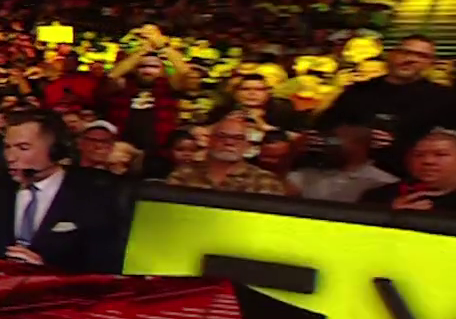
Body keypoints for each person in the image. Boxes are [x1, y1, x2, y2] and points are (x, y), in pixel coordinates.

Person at [0, 111, 127, 274]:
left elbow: (103, 267)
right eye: (7, 147)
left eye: (23, 148)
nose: (10, 157)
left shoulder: (94, 196)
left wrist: (45, 271)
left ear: (55, 151)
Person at [312, 35, 456, 178]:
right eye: (405, 52)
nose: (410, 59)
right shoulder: (358, 91)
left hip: (405, 176)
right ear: (391, 55)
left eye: (421, 56)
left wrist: (401, 144)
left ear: (430, 63)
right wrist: (357, 137)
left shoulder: (444, 98)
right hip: (345, 171)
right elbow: (324, 128)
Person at [165, 113, 290, 196]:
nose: (229, 142)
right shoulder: (184, 175)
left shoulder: (264, 180)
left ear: (247, 145)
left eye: (238, 138)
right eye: (222, 136)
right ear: (209, 141)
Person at [360, 128, 456, 213]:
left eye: (441, 154)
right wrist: (390, 215)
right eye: (419, 155)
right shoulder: (378, 196)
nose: (427, 161)